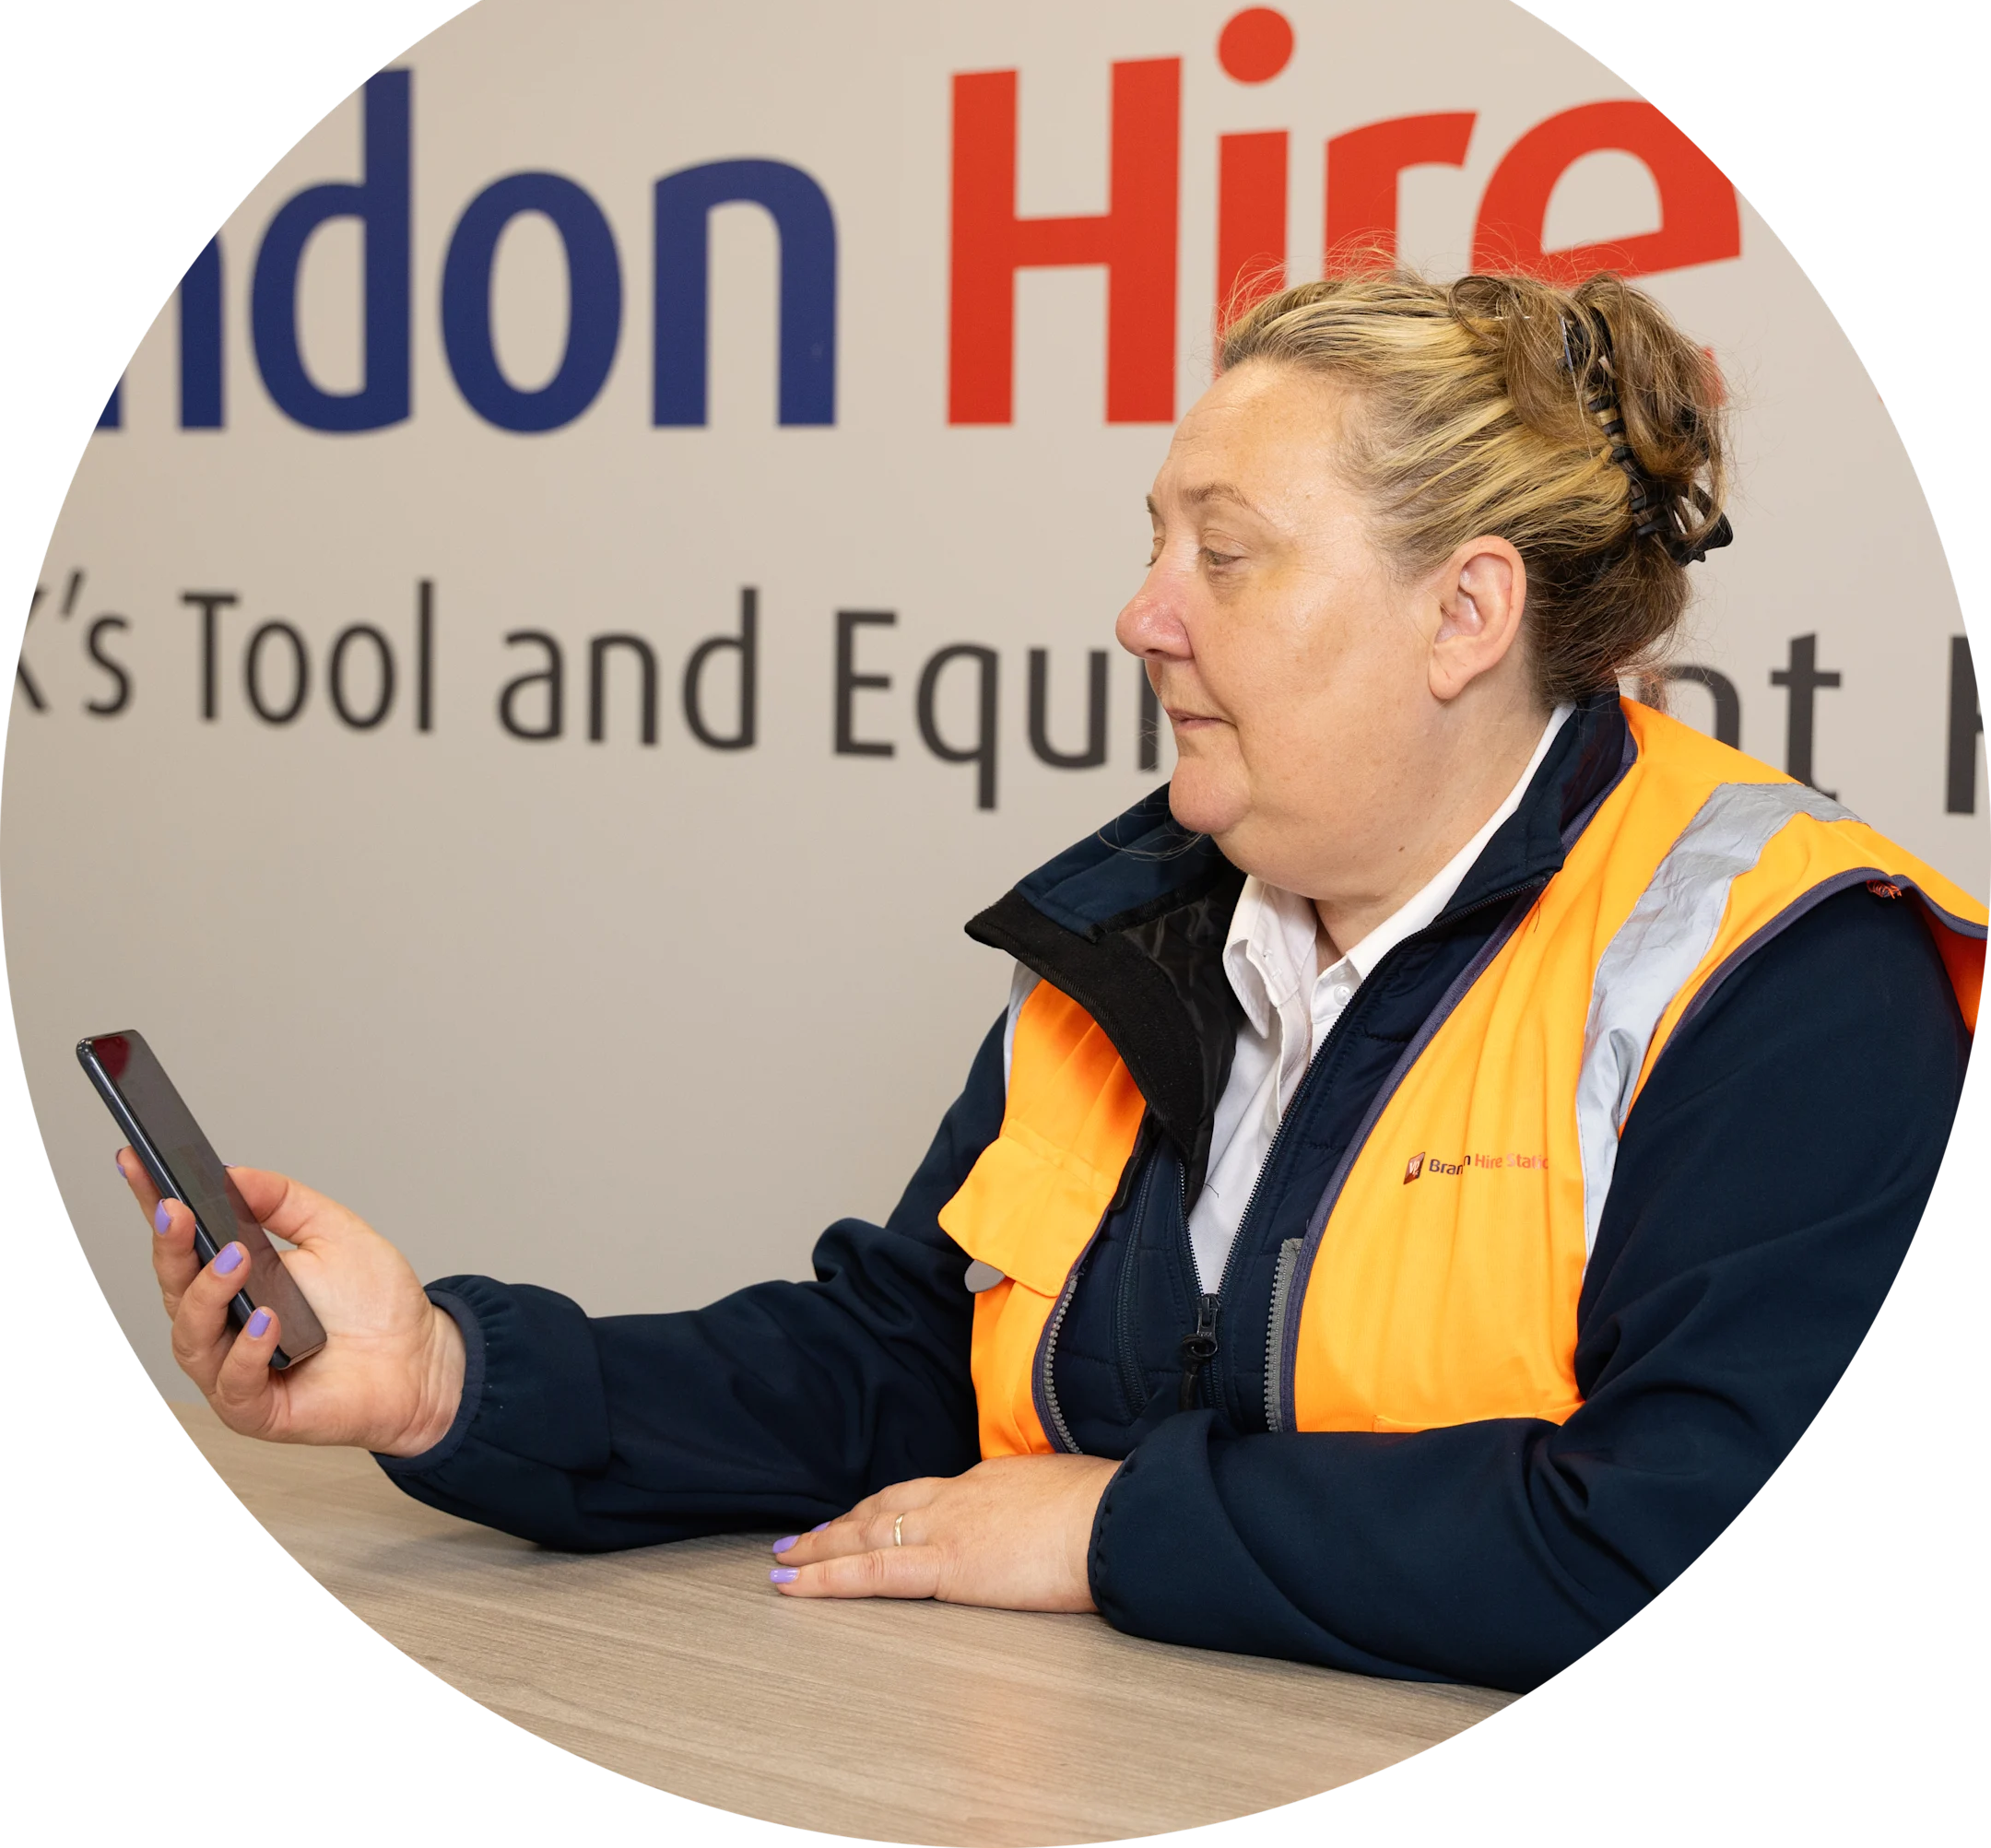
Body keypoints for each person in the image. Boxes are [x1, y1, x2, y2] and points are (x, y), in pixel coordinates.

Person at [120, 272, 1983, 1691]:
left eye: (1225, 555)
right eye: (1152, 541)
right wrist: (447, 1379)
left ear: (1465, 615)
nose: (1142, 614)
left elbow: (1673, 1527)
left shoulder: (1781, 971)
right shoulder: (1142, 927)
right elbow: (900, 1367)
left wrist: (1116, 1531)